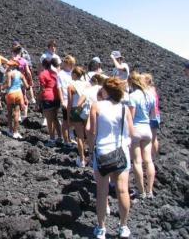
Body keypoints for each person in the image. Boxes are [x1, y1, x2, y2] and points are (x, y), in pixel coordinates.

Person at [88, 77, 134, 239]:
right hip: (121, 154)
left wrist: (91, 149)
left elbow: (92, 132)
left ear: (106, 90)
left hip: (102, 153)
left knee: (102, 192)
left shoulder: (97, 106)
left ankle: (101, 229)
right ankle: (123, 227)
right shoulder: (124, 109)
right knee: (123, 190)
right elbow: (132, 133)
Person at [128, 72, 156, 199]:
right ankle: (150, 191)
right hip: (147, 129)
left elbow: (131, 117)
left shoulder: (133, 96)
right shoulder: (150, 96)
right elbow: (153, 116)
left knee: (137, 162)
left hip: (136, 130)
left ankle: (141, 192)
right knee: (149, 160)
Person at [67, 66, 91, 167]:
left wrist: (68, 116)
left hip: (76, 111)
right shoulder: (88, 84)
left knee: (79, 136)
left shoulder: (71, 86)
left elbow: (70, 103)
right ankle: (90, 157)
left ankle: (81, 159)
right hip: (86, 110)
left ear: (75, 75)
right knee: (88, 134)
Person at [4, 59, 29, 139]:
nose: (8, 66)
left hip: (11, 93)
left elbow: (8, 85)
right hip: (19, 94)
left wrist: (1, 87)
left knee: (10, 112)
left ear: (13, 66)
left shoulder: (9, 73)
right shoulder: (21, 74)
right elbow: (26, 85)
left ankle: (10, 130)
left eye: (9, 65)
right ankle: (16, 132)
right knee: (17, 113)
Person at [39, 58, 61, 147]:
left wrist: (38, 99)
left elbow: (42, 89)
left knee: (49, 120)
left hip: (47, 98)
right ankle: (59, 137)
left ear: (43, 65)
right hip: (56, 97)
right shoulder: (55, 74)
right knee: (55, 118)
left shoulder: (42, 74)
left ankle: (52, 139)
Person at [57, 55, 76, 148]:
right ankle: (66, 141)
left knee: (72, 120)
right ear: (66, 64)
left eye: (73, 64)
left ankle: (70, 138)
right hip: (66, 99)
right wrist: (62, 101)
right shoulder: (61, 74)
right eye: (70, 64)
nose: (72, 66)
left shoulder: (73, 73)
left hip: (74, 100)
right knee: (65, 121)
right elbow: (59, 88)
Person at [143, 73, 160, 158]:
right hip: (156, 115)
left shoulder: (148, 90)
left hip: (151, 116)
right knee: (154, 138)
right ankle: (154, 156)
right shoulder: (153, 89)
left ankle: (149, 157)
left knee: (150, 139)